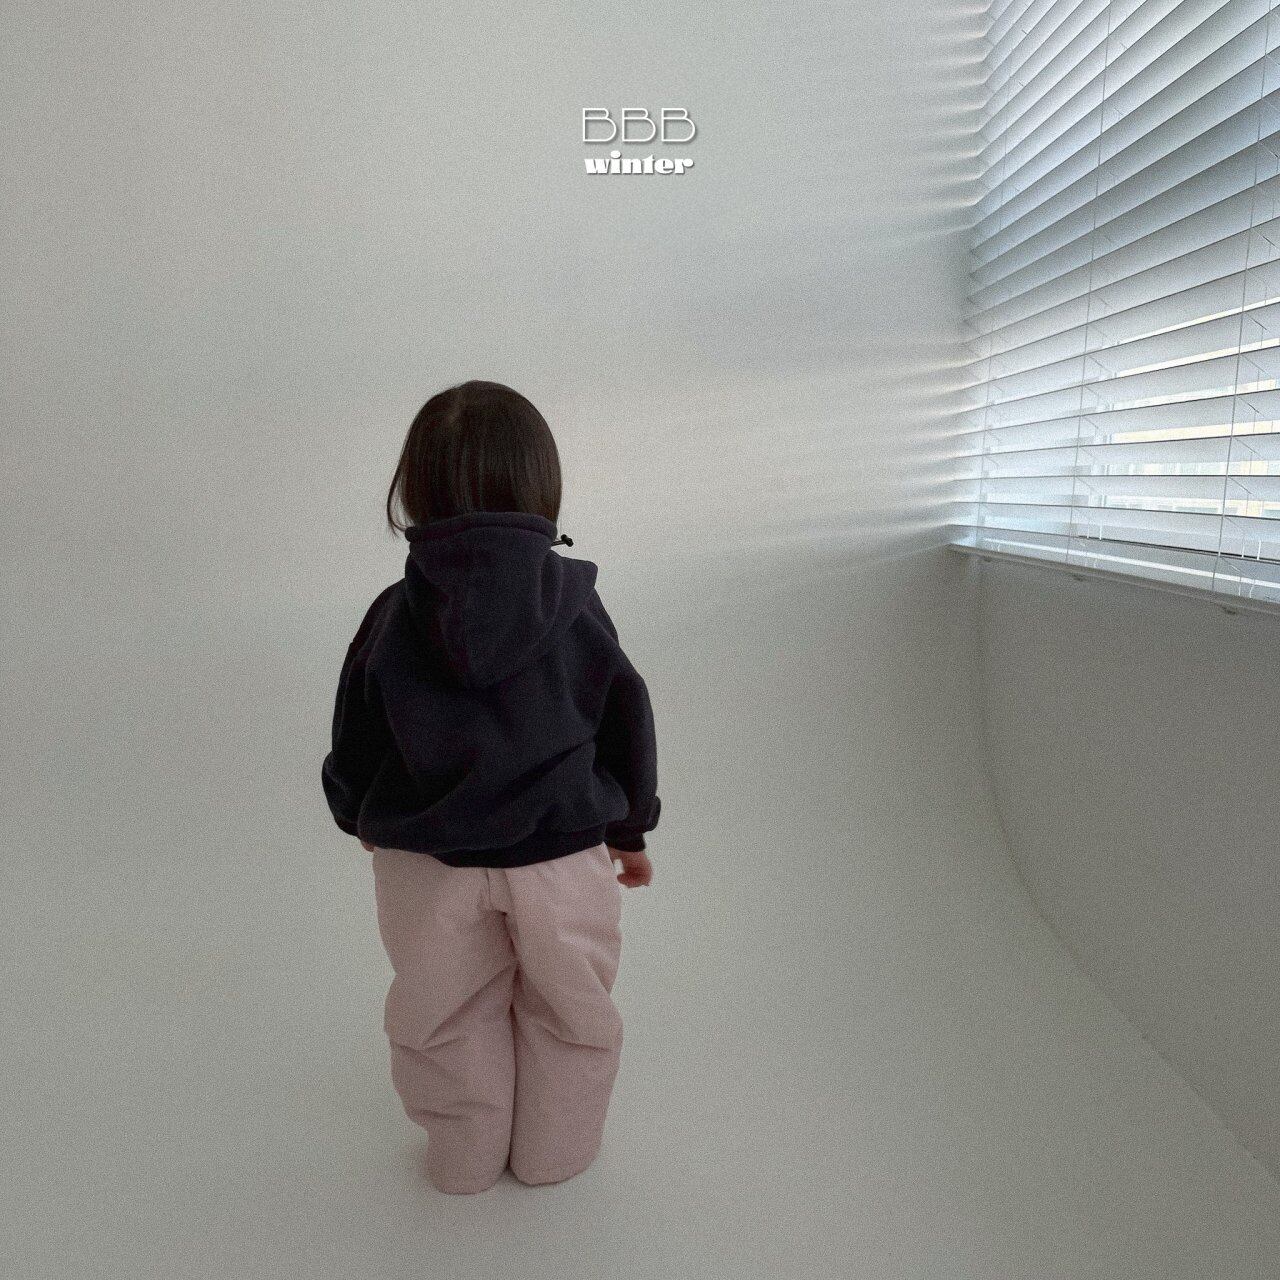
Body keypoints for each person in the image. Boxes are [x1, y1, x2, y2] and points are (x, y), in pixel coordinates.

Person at [321, 380, 661, 1194]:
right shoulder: (577, 605)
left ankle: (464, 1157)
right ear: (542, 487)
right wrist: (630, 829)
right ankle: (555, 1153)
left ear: (414, 491)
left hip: (426, 864)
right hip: (562, 857)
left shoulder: (392, 614)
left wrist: (358, 812)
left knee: (442, 1015)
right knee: (571, 1010)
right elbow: (625, 714)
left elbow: (355, 727)